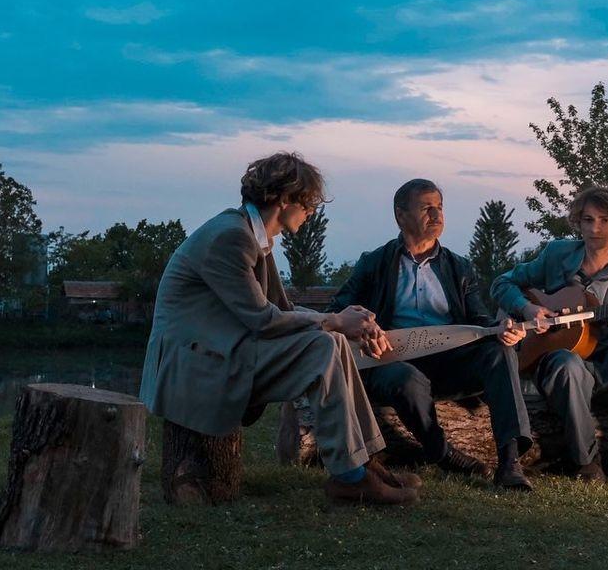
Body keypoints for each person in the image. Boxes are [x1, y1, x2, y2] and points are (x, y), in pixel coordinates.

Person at [140, 152, 419, 505]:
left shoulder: (250, 234)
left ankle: (363, 462)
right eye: (308, 203)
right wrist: (335, 320)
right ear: (284, 199)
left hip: (222, 349)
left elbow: (281, 311)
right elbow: (263, 319)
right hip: (194, 366)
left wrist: (344, 320)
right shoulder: (231, 238)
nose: (311, 212)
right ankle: (349, 477)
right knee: (323, 347)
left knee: (332, 340)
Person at [328, 179, 534, 490]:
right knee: (405, 378)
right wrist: (362, 324)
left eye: (439, 207)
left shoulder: (459, 267)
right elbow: (339, 310)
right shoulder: (374, 263)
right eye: (426, 208)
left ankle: (510, 463)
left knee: (499, 352)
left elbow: (478, 319)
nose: (436, 215)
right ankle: (443, 453)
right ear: (401, 215)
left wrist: (500, 330)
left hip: (449, 361)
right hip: (392, 360)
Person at [491, 186, 608, 489]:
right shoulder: (557, 255)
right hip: (563, 367)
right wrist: (528, 308)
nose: (595, 229)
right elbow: (502, 283)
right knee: (566, 363)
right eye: (587, 220)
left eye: (604, 220)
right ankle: (586, 462)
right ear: (578, 222)